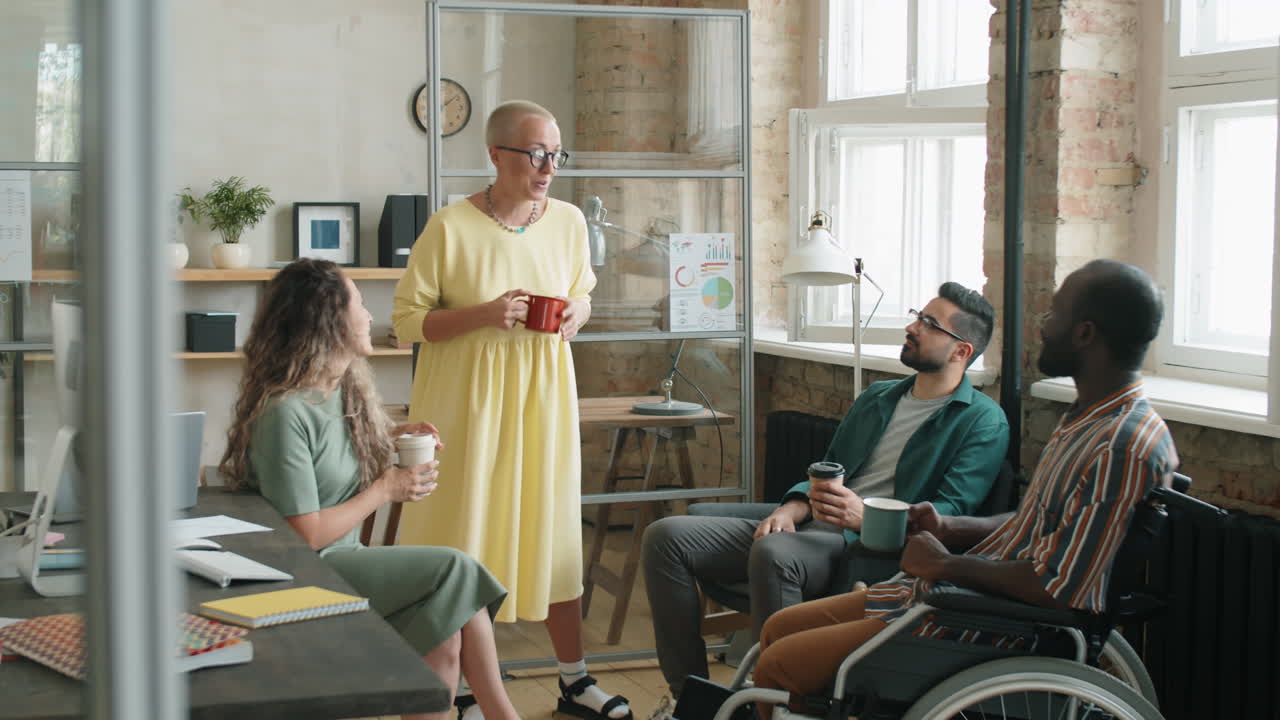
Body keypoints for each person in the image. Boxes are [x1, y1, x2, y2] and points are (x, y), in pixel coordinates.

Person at [749, 259, 1179, 718]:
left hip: (982, 622)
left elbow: (1059, 588)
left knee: (778, 665)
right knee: (778, 629)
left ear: (1085, 333)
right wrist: (949, 525)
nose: (1042, 325)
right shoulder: (1087, 419)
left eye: (1054, 314)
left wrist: (946, 564)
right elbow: (1037, 526)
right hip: (950, 596)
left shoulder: (1121, 445)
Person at [641, 282, 1009, 705]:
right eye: (917, 315)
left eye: (929, 324)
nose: (912, 326)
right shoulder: (878, 397)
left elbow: (952, 514)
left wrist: (868, 516)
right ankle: (689, 699)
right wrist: (795, 506)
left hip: (872, 546)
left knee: (773, 552)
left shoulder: (983, 422)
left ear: (961, 351)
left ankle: (773, 703)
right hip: (818, 521)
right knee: (665, 537)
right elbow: (829, 467)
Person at [391, 100, 630, 720]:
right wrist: (484, 313)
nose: (548, 165)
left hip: (542, 401)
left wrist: (581, 310)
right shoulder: (449, 226)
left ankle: (574, 680)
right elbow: (406, 323)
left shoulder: (571, 222)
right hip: (467, 405)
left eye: (556, 153)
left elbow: (581, 290)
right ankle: (465, 687)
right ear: (495, 155)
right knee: (466, 534)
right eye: (535, 153)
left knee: (552, 533)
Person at [218, 259, 520, 720]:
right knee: (454, 572)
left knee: (445, 633)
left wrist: (393, 438)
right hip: (309, 573)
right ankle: (503, 715)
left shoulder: (340, 391)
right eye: (358, 302)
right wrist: (386, 489)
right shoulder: (285, 414)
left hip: (344, 560)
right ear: (329, 319)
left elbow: (336, 462)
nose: (369, 314)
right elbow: (306, 536)